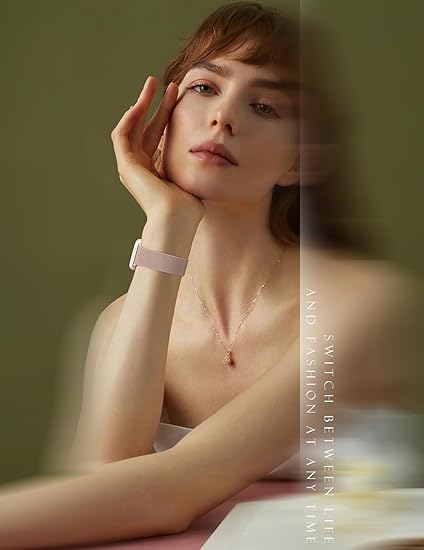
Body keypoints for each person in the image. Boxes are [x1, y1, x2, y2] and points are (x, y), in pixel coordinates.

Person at [0, 2, 418, 548]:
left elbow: (164, 495)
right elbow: (99, 498)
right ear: (160, 125)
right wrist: (166, 226)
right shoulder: (122, 322)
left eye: (264, 106)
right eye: (203, 88)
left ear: (299, 161)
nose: (224, 117)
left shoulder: (363, 306)